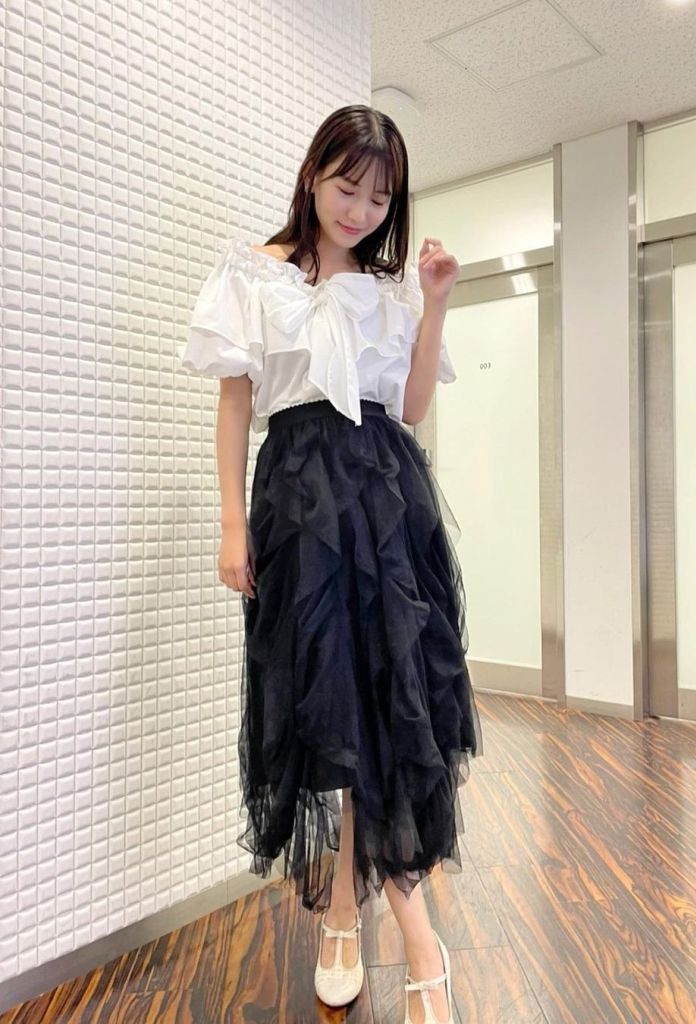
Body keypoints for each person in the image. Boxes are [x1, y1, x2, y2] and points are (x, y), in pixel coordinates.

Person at [178, 103, 482, 1024]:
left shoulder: (388, 292)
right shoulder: (252, 276)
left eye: (379, 196)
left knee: (390, 709)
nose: (360, 209)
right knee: (323, 712)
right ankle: (343, 918)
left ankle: (403, 937)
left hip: (387, 506)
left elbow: (414, 406)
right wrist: (233, 525)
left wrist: (433, 303)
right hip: (300, 507)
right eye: (348, 187)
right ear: (313, 175)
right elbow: (237, 408)